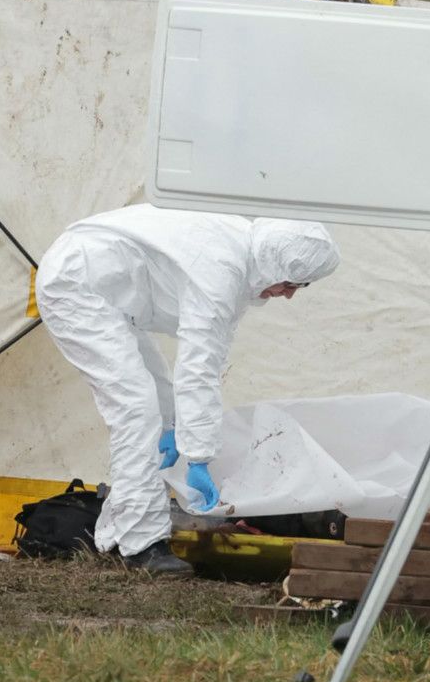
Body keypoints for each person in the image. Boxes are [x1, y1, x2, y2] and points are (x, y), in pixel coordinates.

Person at [34, 204, 341, 574]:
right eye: (294, 284)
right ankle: (141, 546)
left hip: (98, 284)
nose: (289, 295)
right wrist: (198, 457)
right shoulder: (222, 271)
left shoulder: (238, 252)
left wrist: (173, 427)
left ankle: (119, 532)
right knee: (135, 407)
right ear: (275, 266)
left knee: (154, 395)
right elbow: (199, 368)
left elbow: (195, 362)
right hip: (76, 286)